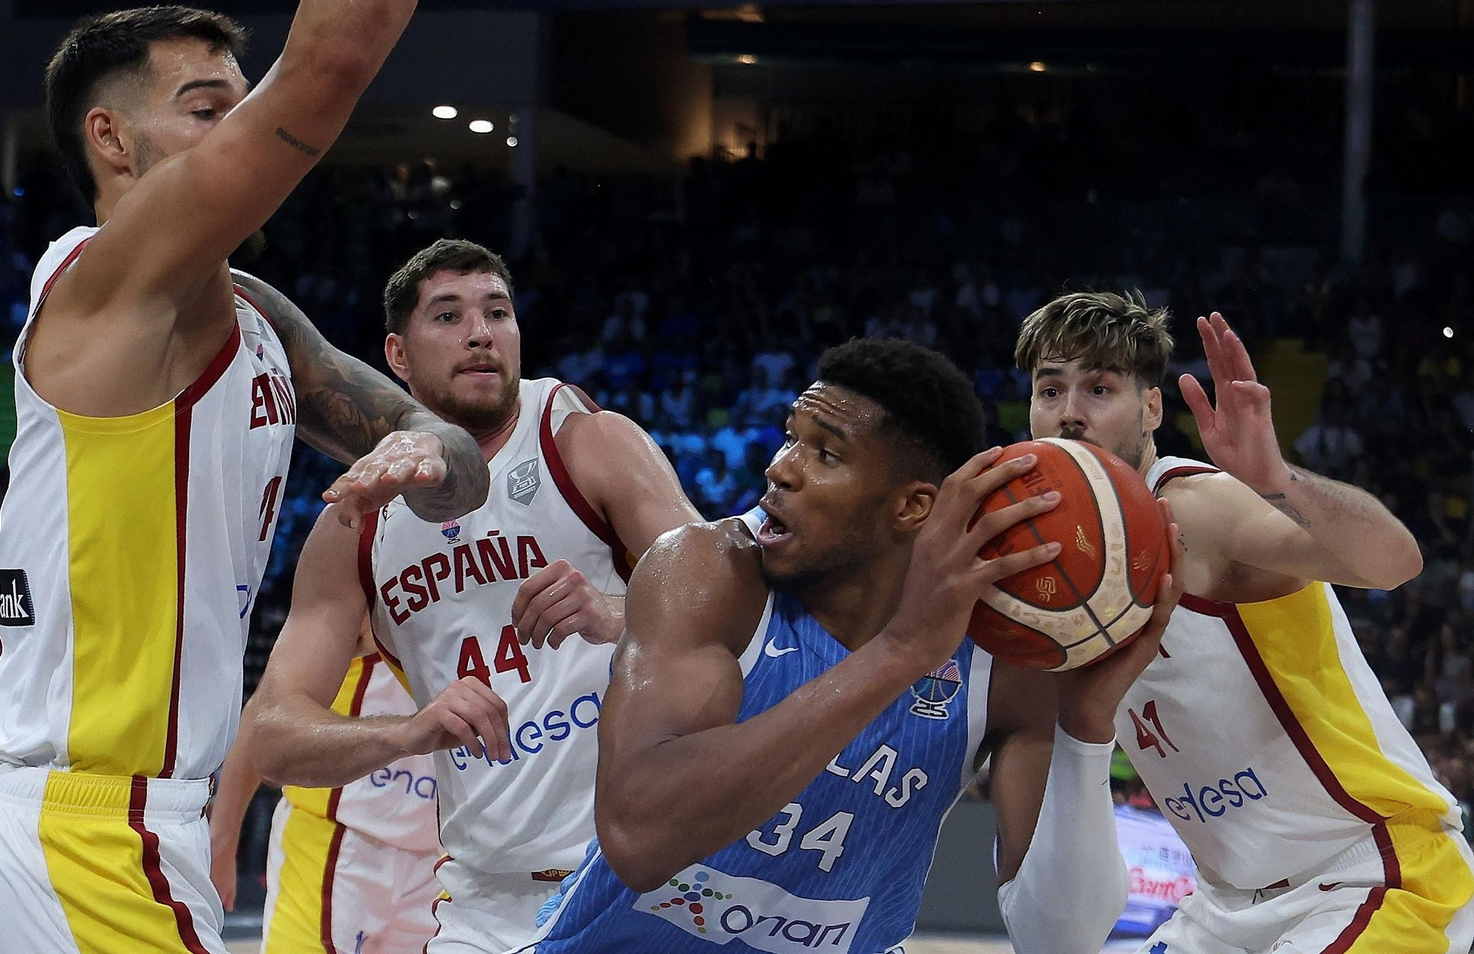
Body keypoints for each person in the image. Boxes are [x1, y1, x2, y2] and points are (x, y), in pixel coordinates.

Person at [0, 6, 490, 954]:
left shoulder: (250, 316)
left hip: (114, 819)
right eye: (209, 111)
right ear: (109, 138)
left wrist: (433, 452)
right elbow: (327, 64)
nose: (241, 136)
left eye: (245, 109)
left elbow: (444, 450)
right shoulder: (109, 283)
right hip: (87, 824)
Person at [522, 338, 1184, 954]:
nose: (780, 469)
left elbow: (1060, 941)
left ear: (911, 507)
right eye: (792, 439)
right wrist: (898, 654)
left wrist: (1087, 729)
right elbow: (639, 836)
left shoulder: (999, 661)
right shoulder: (708, 573)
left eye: (825, 453)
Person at [236, 238, 705, 954]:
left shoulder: (584, 441)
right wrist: (410, 732)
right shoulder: (356, 525)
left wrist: (620, 613)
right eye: (449, 316)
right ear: (397, 356)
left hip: (645, 883)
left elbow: (733, 599)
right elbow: (271, 733)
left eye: (497, 312)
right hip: (485, 901)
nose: (481, 332)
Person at [1014, 294, 1474, 954]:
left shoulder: (1197, 510)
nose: (1068, 414)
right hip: (1224, 907)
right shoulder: (1051, 555)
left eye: (1099, 388)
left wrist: (1278, 480)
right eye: (1050, 389)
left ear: (1150, 409)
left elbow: (1396, 562)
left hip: (1372, 875)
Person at [210, 622, 442, 954]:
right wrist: (222, 840)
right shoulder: (364, 593)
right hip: (333, 839)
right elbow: (268, 711)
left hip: (439, 854)